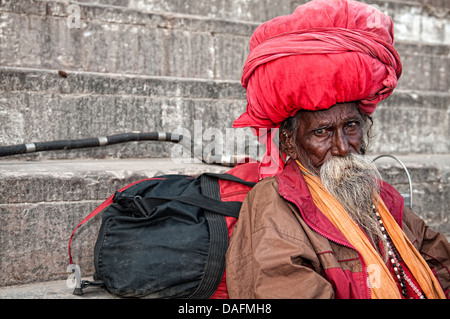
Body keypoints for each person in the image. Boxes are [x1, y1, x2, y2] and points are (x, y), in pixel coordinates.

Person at [225, 0, 450, 299]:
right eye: (322, 132)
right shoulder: (275, 202)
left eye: (351, 127)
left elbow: (438, 260)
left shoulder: (377, 193)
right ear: (290, 142)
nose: (343, 148)